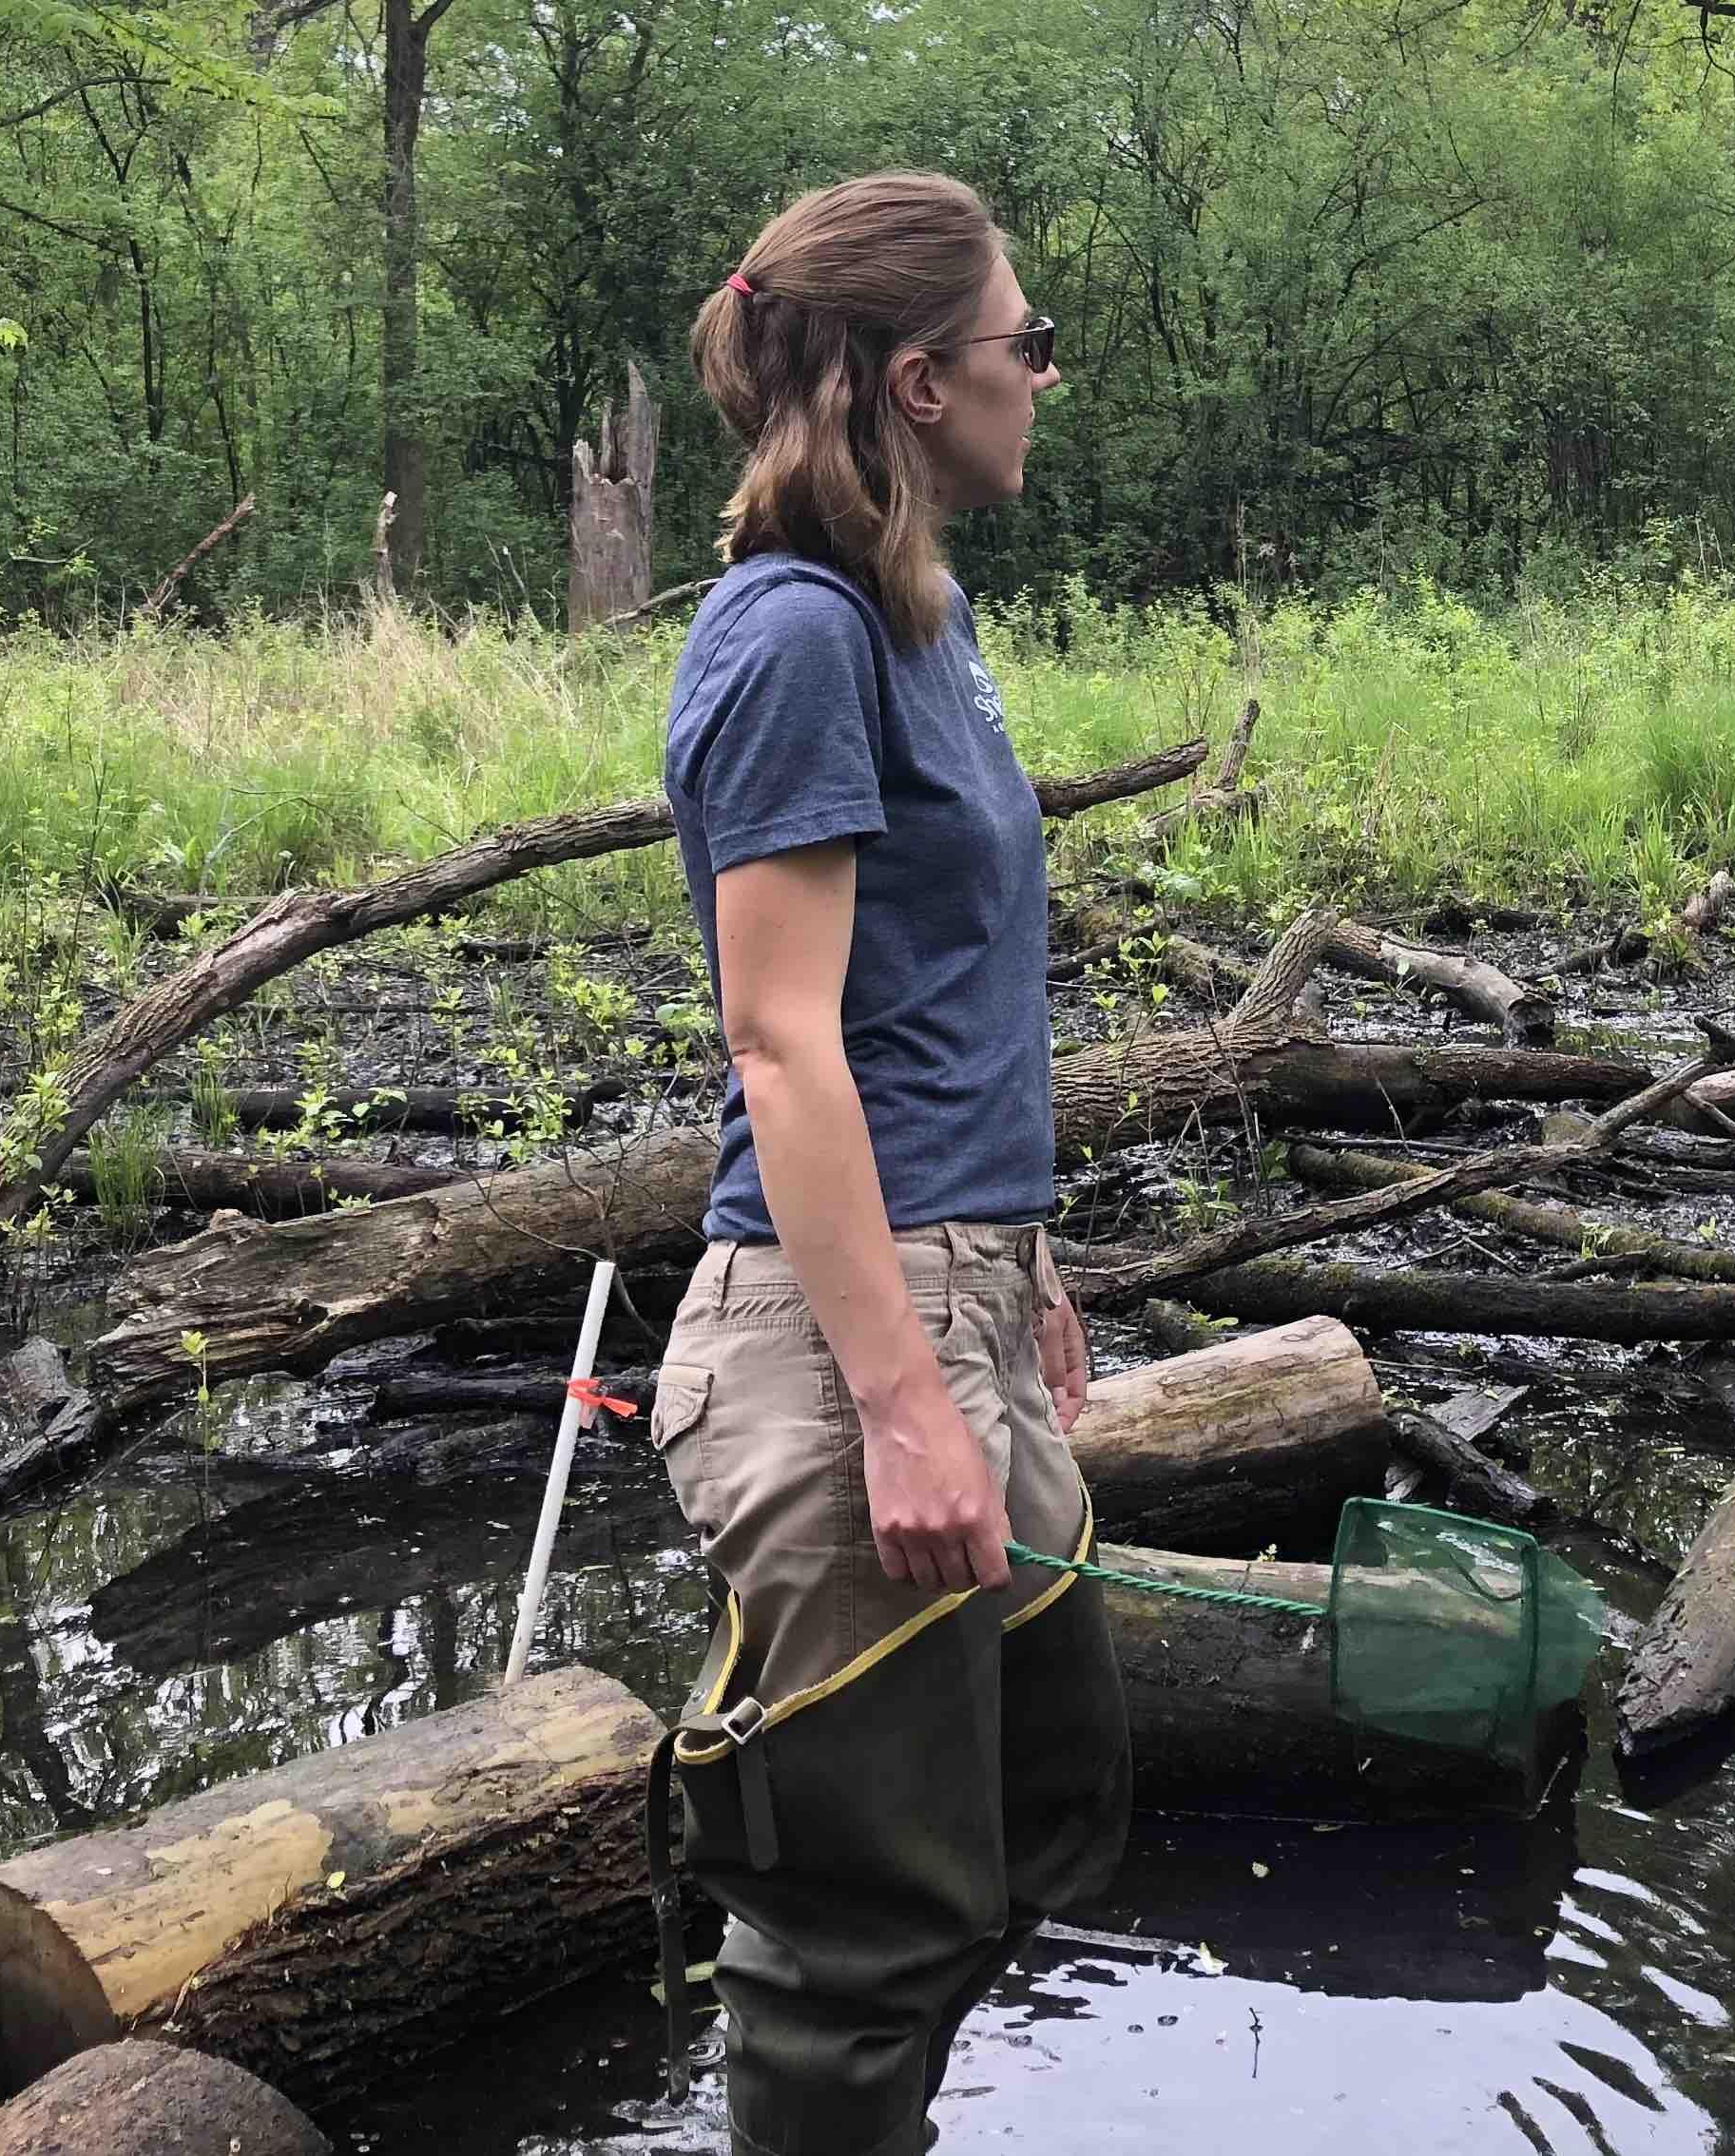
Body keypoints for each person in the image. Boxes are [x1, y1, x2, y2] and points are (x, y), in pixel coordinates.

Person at [642, 170, 1125, 2156]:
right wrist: (905, 1397)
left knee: (1052, 1794)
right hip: (843, 1344)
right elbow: (781, 1039)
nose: (1046, 377)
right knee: (867, 1934)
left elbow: (935, 999)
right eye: (1028, 343)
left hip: (956, 1280)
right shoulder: (794, 635)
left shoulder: (922, 616)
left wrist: (1021, 1269)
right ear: (923, 382)